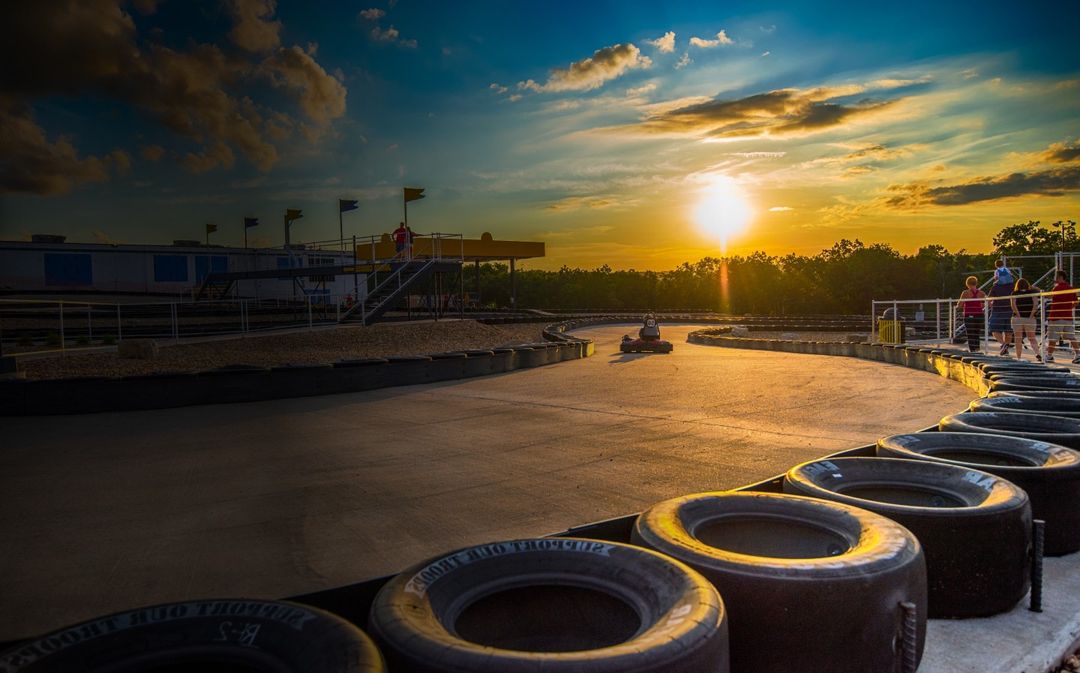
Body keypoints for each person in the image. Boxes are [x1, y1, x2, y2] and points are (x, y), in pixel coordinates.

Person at [1045, 270, 1080, 363]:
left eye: (1056, 277)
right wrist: (1069, 307)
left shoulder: (1056, 288)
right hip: (1068, 317)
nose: (1054, 279)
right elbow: (1076, 301)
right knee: (1071, 337)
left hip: (1056, 317)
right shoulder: (1070, 288)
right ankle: (1078, 354)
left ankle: (1049, 356)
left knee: (1053, 338)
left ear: (1060, 277)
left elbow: (1049, 296)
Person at [1010, 277, 1040, 361]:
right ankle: (1037, 353)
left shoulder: (1014, 293)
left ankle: (1018, 357)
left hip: (1017, 318)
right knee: (1032, 338)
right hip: (1030, 318)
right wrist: (1031, 315)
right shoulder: (1032, 293)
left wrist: (1018, 314)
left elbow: (1013, 305)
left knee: (1018, 339)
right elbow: (1035, 304)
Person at [958, 276, 986, 352]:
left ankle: (972, 350)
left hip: (969, 315)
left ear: (967, 284)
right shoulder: (981, 293)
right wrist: (980, 304)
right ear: (976, 283)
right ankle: (977, 349)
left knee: (970, 334)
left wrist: (962, 304)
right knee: (977, 333)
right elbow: (989, 303)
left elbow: (959, 305)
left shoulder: (965, 293)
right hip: (979, 315)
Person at [987, 275, 1014, 355]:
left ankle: (1003, 345)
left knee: (994, 329)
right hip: (1010, 310)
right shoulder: (1012, 286)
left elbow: (989, 298)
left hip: (998, 310)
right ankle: (1006, 348)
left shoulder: (996, 286)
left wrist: (991, 305)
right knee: (1008, 331)